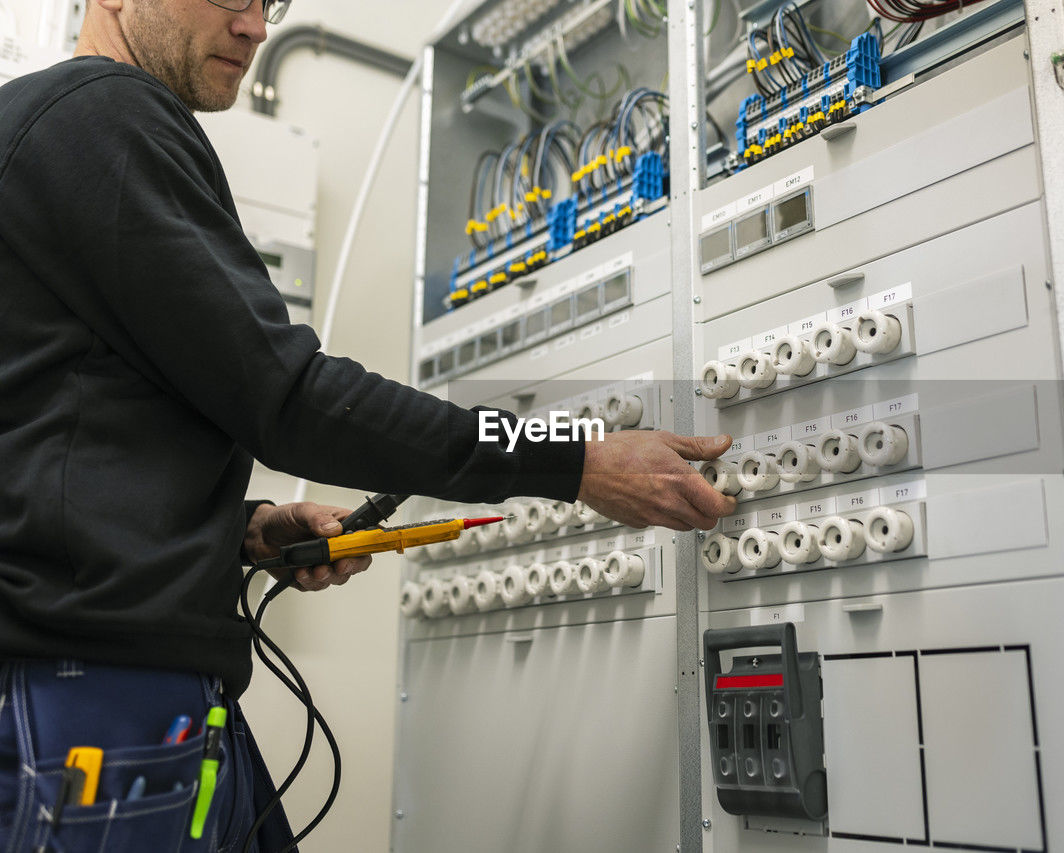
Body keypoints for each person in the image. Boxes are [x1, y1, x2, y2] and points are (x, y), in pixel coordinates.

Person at [0, 0, 736, 849]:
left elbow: (56, 434)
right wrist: (573, 460)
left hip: (113, 696)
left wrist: (241, 531)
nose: (254, 26)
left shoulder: (44, 130)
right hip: (95, 705)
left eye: (268, 2)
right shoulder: (103, 117)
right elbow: (293, 398)